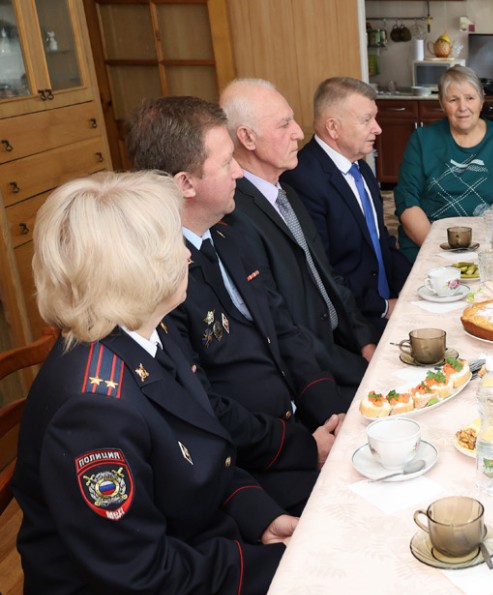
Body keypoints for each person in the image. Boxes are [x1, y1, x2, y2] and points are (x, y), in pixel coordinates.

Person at [15, 171, 294, 593]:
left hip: (195, 544)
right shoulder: (93, 410)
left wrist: (262, 518)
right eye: (172, 244)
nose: (186, 254)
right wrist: (267, 566)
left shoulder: (144, 329)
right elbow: (141, 575)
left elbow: (203, 447)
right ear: (135, 271)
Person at [127, 96, 343, 513]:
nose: (240, 172)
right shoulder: (159, 281)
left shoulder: (229, 234)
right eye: (227, 163)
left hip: (304, 424)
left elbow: (284, 331)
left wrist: (332, 413)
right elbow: (204, 407)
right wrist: (304, 448)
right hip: (251, 466)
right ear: (185, 184)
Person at [221, 78, 379, 395]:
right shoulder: (236, 215)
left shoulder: (287, 192)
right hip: (313, 372)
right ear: (247, 138)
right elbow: (284, 327)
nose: (298, 132)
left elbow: (328, 276)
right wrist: (360, 369)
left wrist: (365, 341)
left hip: (341, 344)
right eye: (284, 125)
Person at [283, 76, 411, 333]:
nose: (378, 128)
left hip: (389, 302)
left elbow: (381, 241)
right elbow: (323, 272)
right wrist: (384, 308)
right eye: (366, 120)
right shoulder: (303, 180)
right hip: (355, 322)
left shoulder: (360, 167)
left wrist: (418, 283)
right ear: (333, 127)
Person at [393, 65, 493, 261]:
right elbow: (407, 200)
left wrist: (485, 248)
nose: (462, 107)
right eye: (453, 99)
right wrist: (438, 251)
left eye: (470, 98)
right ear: (442, 104)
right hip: (429, 243)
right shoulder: (422, 139)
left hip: (488, 245)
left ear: (481, 100)